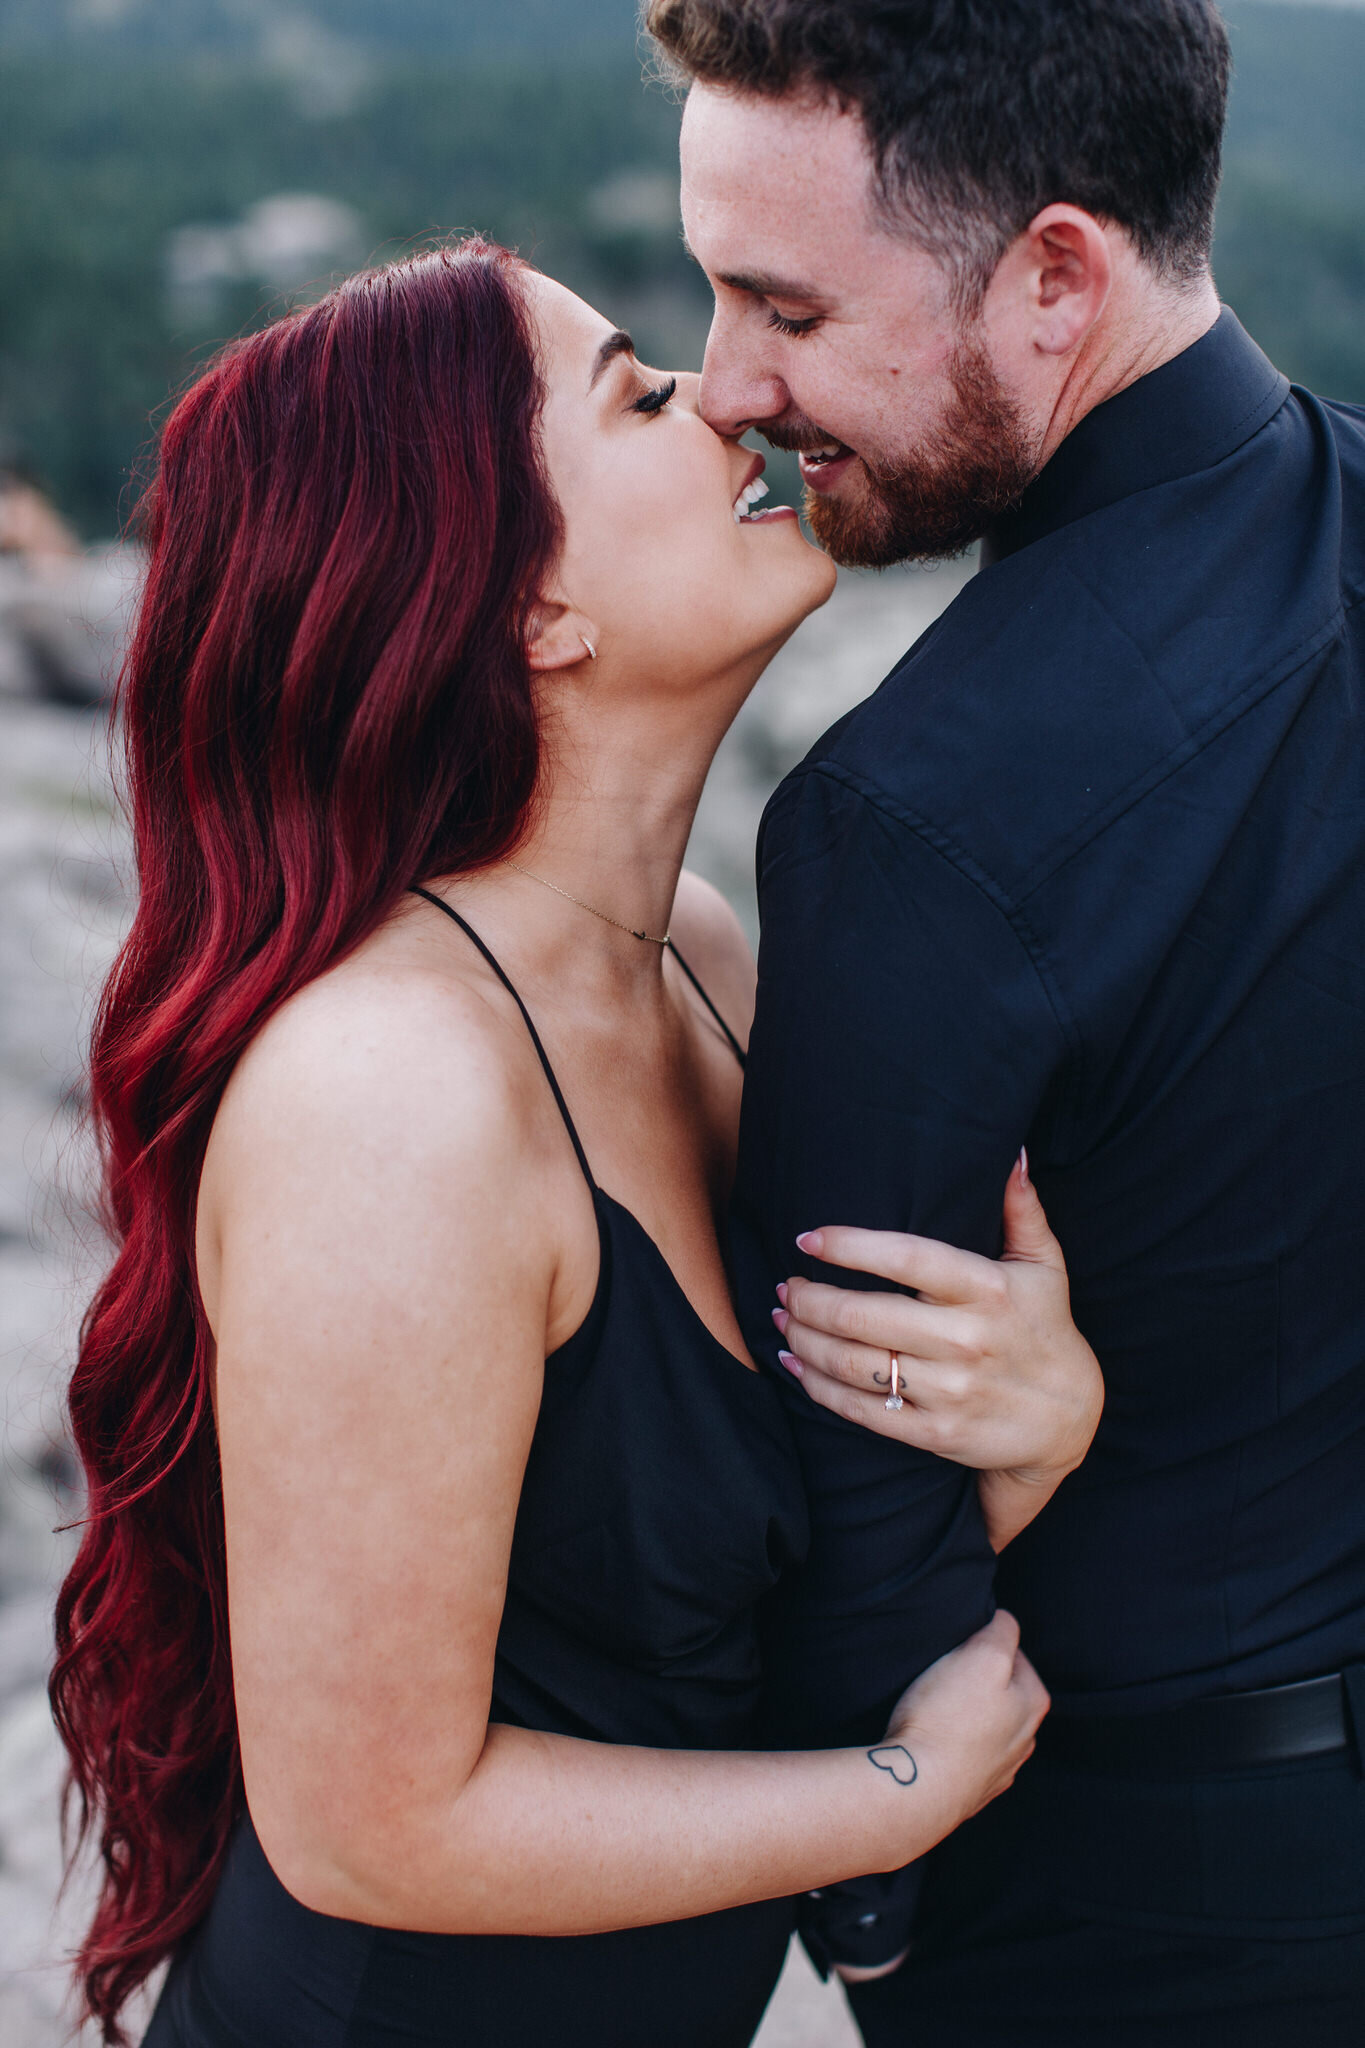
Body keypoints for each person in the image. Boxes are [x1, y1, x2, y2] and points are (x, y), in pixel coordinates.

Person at [49, 240, 1101, 2048]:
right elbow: (371, 1821)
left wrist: (1029, 1421)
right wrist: (890, 1796)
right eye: (637, 393)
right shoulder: (396, 1101)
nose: (732, 402)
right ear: (527, 606)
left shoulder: (694, 954)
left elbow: (727, 1576)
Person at [646, 0, 1365, 2039]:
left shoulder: (913, 824)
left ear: (1053, 273)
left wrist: (870, 1915)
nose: (728, 389)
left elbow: (856, 1502)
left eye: (780, 305)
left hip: (1131, 1897)